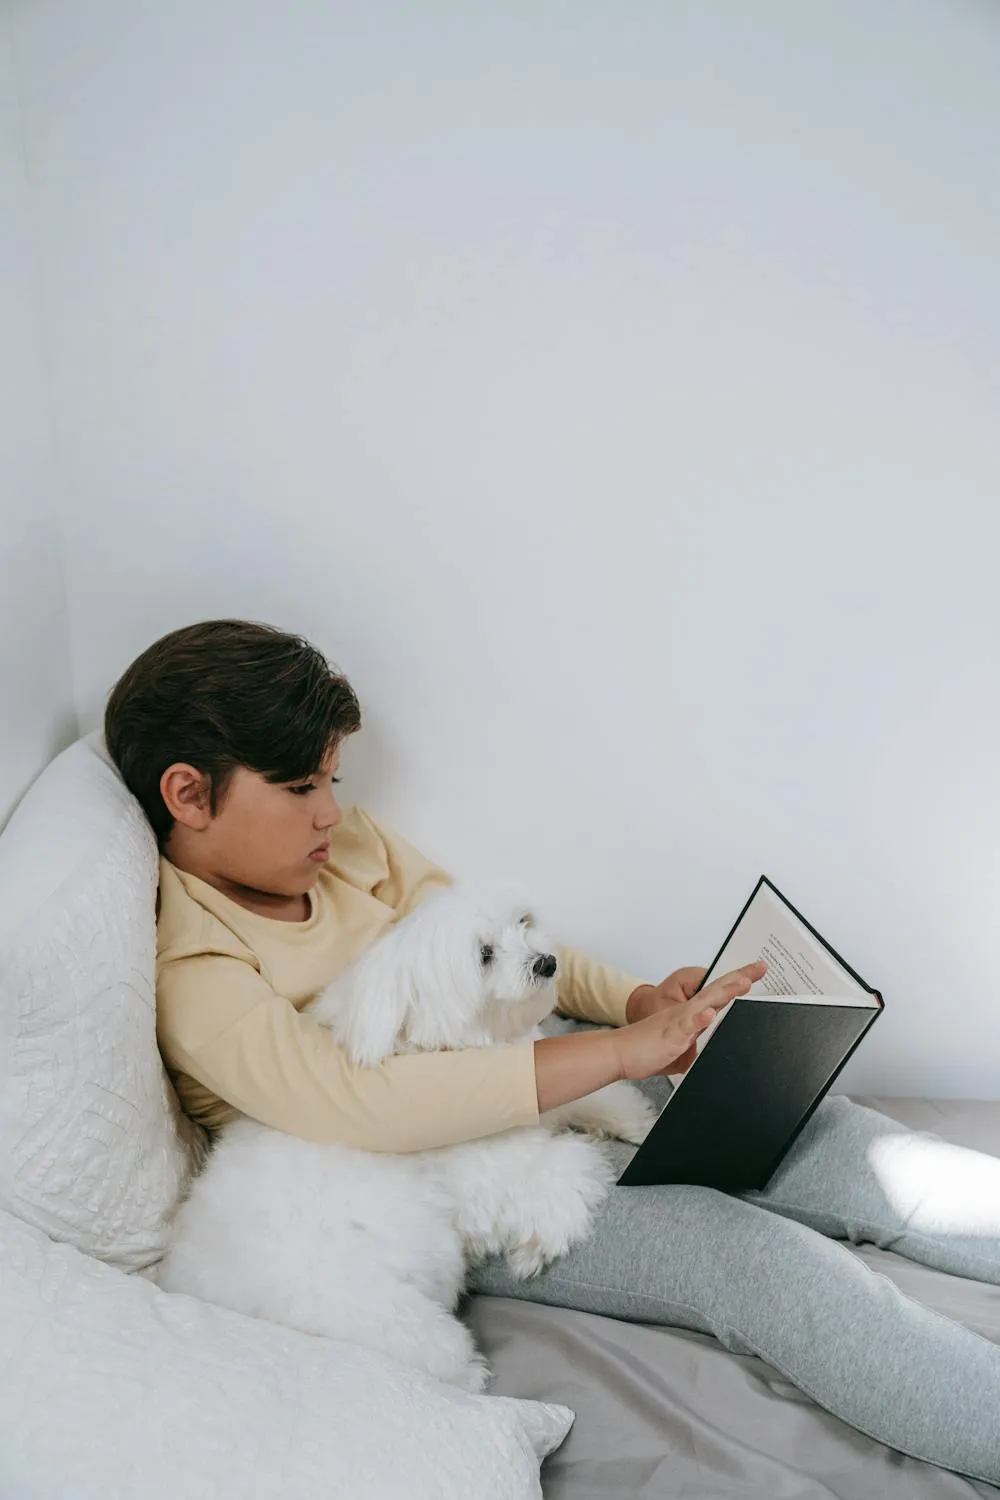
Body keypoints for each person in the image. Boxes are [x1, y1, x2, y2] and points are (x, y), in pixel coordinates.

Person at [106, 618, 1000, 1487]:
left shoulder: (350, 849)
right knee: (748, 1258)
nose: (332, 812)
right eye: (302, 788)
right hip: (455, 1186)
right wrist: (617, 1054)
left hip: (541, 1071)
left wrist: (636, 1005)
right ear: (189, 795)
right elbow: (355, 1103)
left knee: (816, 1129)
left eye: (332, 781)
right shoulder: (199, 966)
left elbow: (507, 942)